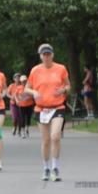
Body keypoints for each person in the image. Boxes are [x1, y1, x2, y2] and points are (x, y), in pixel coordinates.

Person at [26, 44, 70, 181]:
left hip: (57, 107)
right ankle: (46, 168)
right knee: (45, 141)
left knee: (55, 136)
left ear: (52, 55)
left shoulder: (61, 68)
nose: (46, 57)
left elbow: (68, 85)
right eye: (44, 54)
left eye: (48, 54)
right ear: (40, 56)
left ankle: (55, 167)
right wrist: (34, 92)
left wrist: (63, 90)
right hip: (41, 109)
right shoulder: (35, 70)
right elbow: (27, 88)